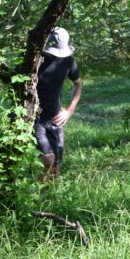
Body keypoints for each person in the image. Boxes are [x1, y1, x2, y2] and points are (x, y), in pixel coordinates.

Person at [35, 27, 83, 182]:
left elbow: (78, 84)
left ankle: (52, 198)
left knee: (56, 165)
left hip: (56, 118)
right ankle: (37, 193)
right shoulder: (35, 61)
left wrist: (69, 110)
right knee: (48, 159)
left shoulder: (68, 61)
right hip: (37, 118)